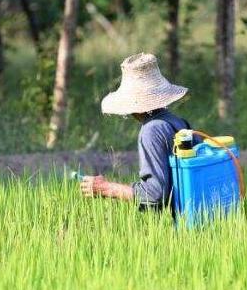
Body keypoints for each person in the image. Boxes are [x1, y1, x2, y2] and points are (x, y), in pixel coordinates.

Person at [80, 53, 195, 212]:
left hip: (186, 226)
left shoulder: (151, 130)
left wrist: (106, 188)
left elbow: (155, 194)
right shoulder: (178, 122)